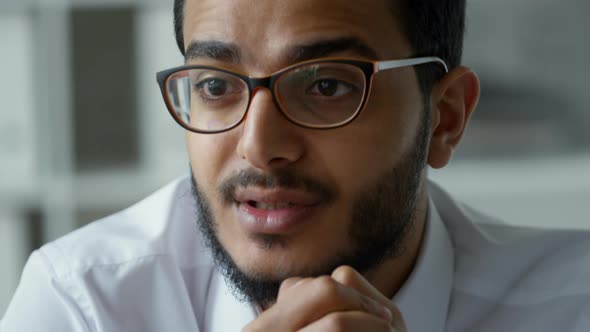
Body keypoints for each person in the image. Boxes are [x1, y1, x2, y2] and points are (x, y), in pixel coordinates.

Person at [2, 0, 590, 331]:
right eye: (214, 85)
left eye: (327, 86)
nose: (258, 147)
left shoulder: (572, 304)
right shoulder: (84, 306)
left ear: (445, 118)